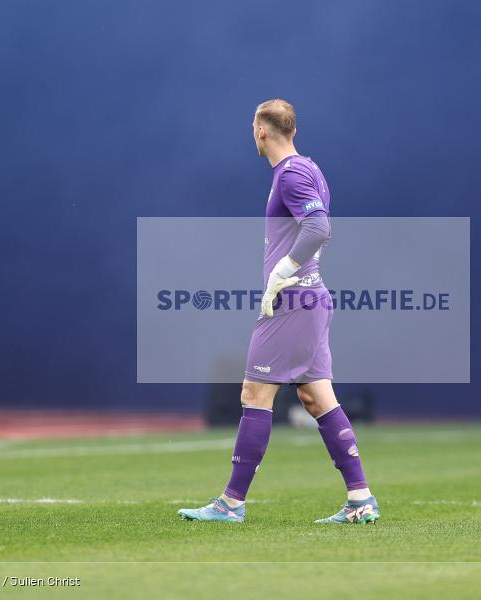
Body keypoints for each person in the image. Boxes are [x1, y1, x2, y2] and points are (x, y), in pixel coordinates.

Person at [178, 99, 379, 524]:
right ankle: (360, 499)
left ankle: (231, 503)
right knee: (316, 396)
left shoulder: (289, 175)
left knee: (255, 394)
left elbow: (319, 227)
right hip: (311, 299)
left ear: (261, 131)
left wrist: (281, 273)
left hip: (293, 303)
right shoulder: (309, 168)